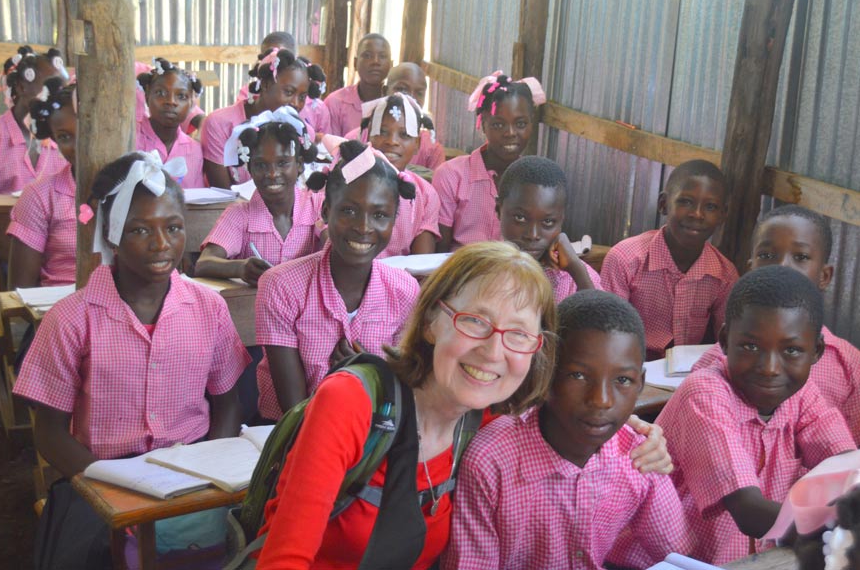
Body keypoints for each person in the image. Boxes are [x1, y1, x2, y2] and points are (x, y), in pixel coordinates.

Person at [253, 242, 673, 568]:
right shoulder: (352, 403)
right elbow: (283, 561)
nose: (493, 352)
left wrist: (632, 427)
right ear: (433, 320)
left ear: (536, 350)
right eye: (475, 321)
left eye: (517, 333)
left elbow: (580, 411)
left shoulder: (488, 417)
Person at [13, 151, 251, 568]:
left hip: (194, 472)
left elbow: (228, 403)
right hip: (99, 475)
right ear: (111, 235)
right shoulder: (72, 319)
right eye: (141, 229)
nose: (162, 244)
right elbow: (49, 433)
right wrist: (114, 488)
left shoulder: (208, 308)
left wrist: (207, 477)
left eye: (174, 228)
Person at [445, 290, 685, 570]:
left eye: (622, 380)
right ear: (546, 373)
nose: (602, 400)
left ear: (641, 384)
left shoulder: (640, 454)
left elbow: (676, 552)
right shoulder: (491, 460)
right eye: (578, 376)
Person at [655, 266, 856, 565]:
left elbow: (848, 466)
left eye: (791, 351)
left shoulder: (802, 395)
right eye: (750, 346)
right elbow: (747, 510)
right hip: (664, 561)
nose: (770, 368)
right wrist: (837, 534)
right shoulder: (705, 394)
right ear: (724, 341)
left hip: (748, 560)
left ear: (815, 352)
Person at [253, 140, 420, 421]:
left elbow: (403, 390)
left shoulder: (404, 291)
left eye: (380, 215)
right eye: (349, 211)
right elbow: (293, 411)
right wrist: (342, 384)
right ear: (326, 211)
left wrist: (369, 374)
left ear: (394, 220)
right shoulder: (281, 287)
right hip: (290, 436)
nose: (364, 227)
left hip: (371, 433)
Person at [693, 204, 860, 444]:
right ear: (750, 269)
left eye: (800, 257)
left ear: (824, 276)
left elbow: (848, 458)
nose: (782, 267)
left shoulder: (850, 365)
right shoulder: (718, 362)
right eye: (767, 255)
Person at [0, 46, 68, 394]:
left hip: (46, 239)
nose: (56, 94)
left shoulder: (61, 137)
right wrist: (4, 249)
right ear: (20, 87)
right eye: (48, 85)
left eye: (61, 86)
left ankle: (25, 359)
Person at [601, 159, 737, 360]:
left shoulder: (724, 275)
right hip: (625, 364)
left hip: (687, 375)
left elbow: (728, 345)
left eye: (710, 207)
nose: (697, 214)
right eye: (686, 202)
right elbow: (606, 332)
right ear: (663, 204)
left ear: (722, 215)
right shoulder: (626, 259)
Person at [194, 107, 322, 285]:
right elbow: (203, 263)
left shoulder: (317, 206)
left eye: (283, 163)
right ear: (250, 169)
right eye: (261, 165)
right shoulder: (240, 214)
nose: (272, 174)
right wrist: (240, 268)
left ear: (299, 165)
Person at [433, 71, 545, 251]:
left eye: (521, 124)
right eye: (498, 124)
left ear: (532, 124)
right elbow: (439, 251)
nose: (510, 133)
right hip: (463, 274)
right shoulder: (452, 175)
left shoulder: (536, 182)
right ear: (483, 124)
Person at [333, 93, 440, 257]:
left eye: (404, 135)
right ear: (368, 137)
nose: (392, 141)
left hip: (401, 279)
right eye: (382, 132)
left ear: (417, 143)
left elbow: (421, 260)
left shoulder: (425, 194)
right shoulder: (348, 179)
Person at [496, 156, 600, 302]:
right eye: (520, 218)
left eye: (548, 221)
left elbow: (600, 319)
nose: (533, 235)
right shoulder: (482, 271)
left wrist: (577, 271)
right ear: (498, 210)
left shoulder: (576, 278)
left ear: (562, 219)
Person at [203, 48, 310, 189]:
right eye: (288, 92)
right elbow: (222, 192)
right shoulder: (219, 124)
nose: (296, 103)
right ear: (265, 85)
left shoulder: (301, 130)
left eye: (302, 97)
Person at [7, 78, 78, 290]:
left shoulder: (139, 190)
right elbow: (20, 292)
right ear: (54, 140)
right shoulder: (39, 196)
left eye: (89, 130)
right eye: (64, 137)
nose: (79, 145)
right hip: (58, 311)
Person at [135, 58, 205, 189]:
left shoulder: (195, 150)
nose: (171, 101)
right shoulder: (132, 139)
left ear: (191, 105)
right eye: (160, 93)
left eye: (182, 96)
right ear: (147, 96)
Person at [324, 33, 392, 136]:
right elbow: (330, 147)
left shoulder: (397, 106)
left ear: (391, 65)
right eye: (367, 56)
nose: (375, 61)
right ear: (355, 63)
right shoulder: (335, 102)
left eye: (382, 56)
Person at [385, 62, 445, 171]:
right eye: (403, 89)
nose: (411, 98)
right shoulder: (359, 137)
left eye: (419, 93)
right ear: (384, 91)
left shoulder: (432, 150)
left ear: (417, 143)